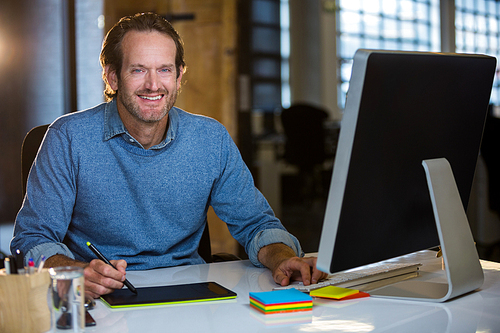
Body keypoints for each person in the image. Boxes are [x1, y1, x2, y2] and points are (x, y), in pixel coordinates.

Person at [11, 12, 327, 299]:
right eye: (138, 70)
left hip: (189, 294)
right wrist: (73, 272)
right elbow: (31, 239)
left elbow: (256, 224)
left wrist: (284, 257)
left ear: (178, 77)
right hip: (98, 296)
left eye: (164, 69)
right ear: (112, 77)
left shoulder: (210, 138)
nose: (153, 84)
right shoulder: (67, 138)